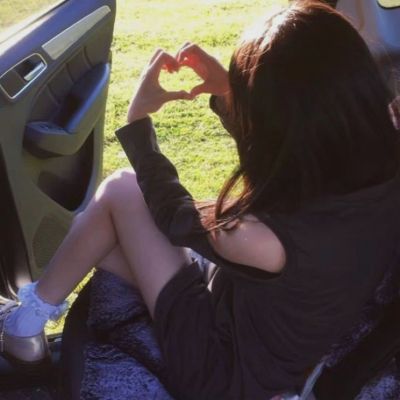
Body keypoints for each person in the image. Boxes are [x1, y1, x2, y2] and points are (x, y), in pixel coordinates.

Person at [1, 1, 400, 398]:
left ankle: (23, 329)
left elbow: (175, 217)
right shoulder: (378, 170)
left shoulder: (263, 237)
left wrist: (137, 124)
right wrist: (232, 92)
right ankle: (26, 326)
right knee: (100, 235)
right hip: (268, 320)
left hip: (221, 375)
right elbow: (288, 146)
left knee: (121, 190)